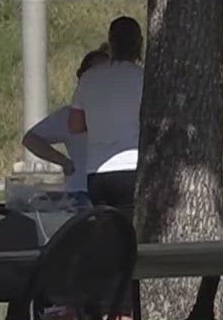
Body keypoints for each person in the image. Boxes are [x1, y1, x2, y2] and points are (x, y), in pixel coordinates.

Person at [70, 16, 144, 210]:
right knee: (132, 232)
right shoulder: (142, 77)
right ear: (140, 43)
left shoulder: (88, 77)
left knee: (108, 232)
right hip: (132, 167)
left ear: (110, 43)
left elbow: (75, 125)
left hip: (97, 171)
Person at [21, 48, 111, 198]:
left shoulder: (123, 109)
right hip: (80, 192)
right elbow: (31, 139)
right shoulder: (68, 115)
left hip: (112, 190)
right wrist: (64, 162)